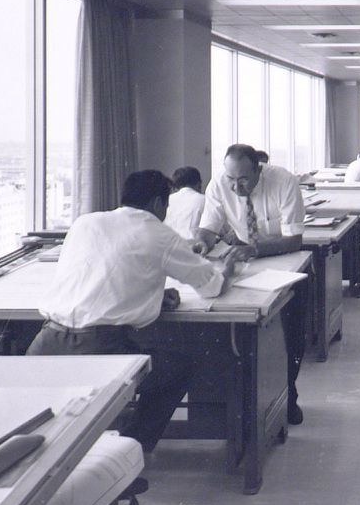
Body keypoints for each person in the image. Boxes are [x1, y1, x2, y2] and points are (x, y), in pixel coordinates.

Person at [28, 170, 238, 453]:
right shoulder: (160, 233)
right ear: (156, 204)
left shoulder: (85, 223)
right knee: (179, 368)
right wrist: (230, 270)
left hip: (44, 345)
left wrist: (148, 295)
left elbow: (100, 275)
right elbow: (211, 287)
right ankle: (130, 449)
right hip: (100, 351)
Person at [193, 144, 308, 425]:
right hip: (246, 261)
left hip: (285, 260)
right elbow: (208, 227)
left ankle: (288, 392)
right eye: (231, 179)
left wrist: (256, 250)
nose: (235, 187)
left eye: (242, 179)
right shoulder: (220, 184)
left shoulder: (284, 182)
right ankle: (240, 407)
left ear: (259, 169)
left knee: (291, 334)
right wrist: (200, 244)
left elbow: (295, 239)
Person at [165, 166, 206, 240]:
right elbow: (217, 228)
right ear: (199, 184)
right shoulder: (204, 199)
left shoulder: (166, 200)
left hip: (169, 244)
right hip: (195, 246)